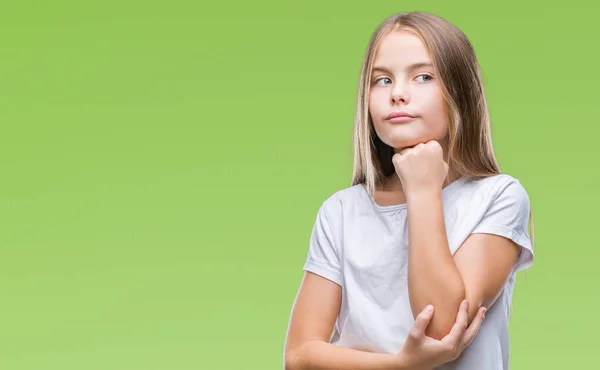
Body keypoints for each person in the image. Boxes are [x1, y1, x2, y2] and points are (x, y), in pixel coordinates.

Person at [283, 11, 535, 370]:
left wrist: (422, 191)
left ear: (459, 92)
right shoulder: (340, 212)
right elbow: (299, 356)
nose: (398, 94)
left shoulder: (498, 197)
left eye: (423, 77)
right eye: (382, 80)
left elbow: (444, 326)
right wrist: (402, 364)